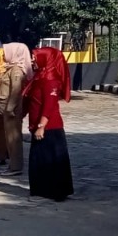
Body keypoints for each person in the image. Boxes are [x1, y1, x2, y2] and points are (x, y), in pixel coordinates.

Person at [26, 47, 75, 202]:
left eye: (35, 57)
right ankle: (42, 190)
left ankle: (53, 192)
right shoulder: (40, 76)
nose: (32, 60)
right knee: (40, 159)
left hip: (49, 127)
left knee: (50, 160)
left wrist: (42, 126)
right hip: (39, 125)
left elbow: (50, 104)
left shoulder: (51, 79)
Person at [0, 43, 31, 177]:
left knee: (14, 138)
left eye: (6, 51)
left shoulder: (17, 70)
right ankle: (12, 165)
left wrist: (10, 107)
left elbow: (16, 90)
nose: (3, 54)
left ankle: (16, 166)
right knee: (9, 138)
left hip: (12, 110)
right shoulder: (10, 68)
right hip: (7, 109)